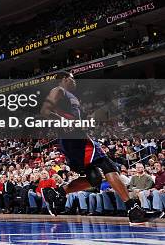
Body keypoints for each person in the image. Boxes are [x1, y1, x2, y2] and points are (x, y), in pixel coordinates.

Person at [41, 72, 163, 224]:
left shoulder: (71, 97)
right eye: (72, 78)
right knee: (107, 165)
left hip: (74, 138)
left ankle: (56, 193)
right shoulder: (58, 90)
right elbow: (45, 111)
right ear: (65, 79)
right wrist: (63, 122)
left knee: (95, 178)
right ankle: (133, 210)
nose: (74, 81)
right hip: (74, 139)